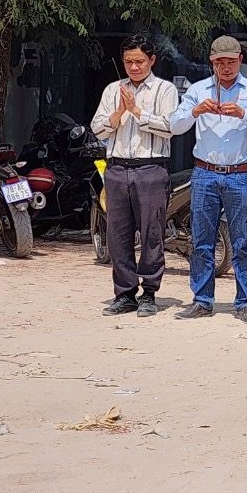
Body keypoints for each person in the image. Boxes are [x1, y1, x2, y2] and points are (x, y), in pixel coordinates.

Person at [168, 36, 247, 323]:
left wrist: (243, 114)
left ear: (240, 60)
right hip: (205, 173)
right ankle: (202, 300)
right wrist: (196, 110)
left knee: (243, 241)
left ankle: (245, 302)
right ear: (212, 63)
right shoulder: (198, 89)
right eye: (220, 62)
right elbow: (175, 126)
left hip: (241, 174)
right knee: (202, 241)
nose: (226, 67)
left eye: (231, 61)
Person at [91, 34, 180, 317]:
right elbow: (97, 128)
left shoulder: (165, 90)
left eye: (139, 61)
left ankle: (149, 292)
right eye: (128, 61)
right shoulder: (112, 90)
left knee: (152, 232)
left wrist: (137, 111)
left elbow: (170, 127)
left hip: (150, 168)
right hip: (117, 169)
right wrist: (119, 111)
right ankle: (125, 293)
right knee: (118, 234)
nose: (134, 67)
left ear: (151, 60)